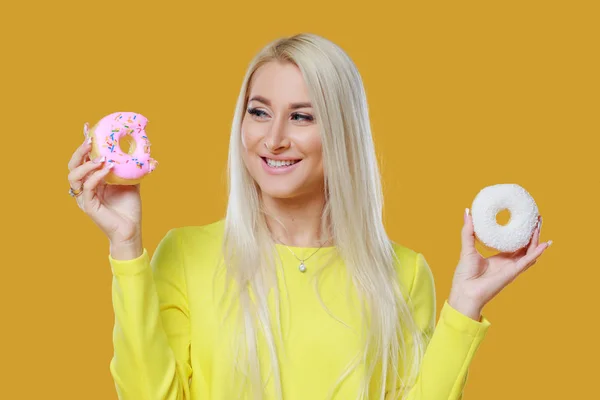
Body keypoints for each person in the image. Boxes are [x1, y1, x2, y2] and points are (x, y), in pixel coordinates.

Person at [66, 33, 551, 400]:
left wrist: (464, 305)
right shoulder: (186, 255)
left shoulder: (401, 273)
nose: (274, 138)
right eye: (259, 112)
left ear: (340, 133)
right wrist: (125, 247)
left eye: (302, 116)